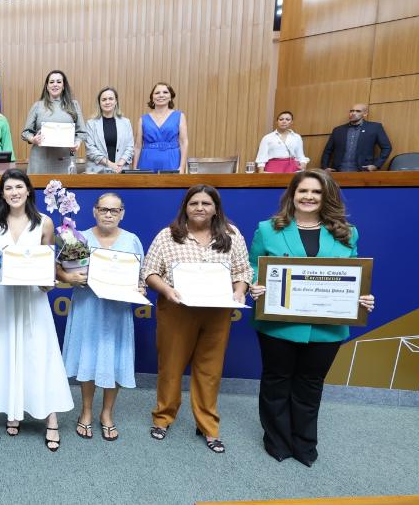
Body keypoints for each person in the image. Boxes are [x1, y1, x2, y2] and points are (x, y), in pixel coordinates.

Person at [248, 170, 376, 466]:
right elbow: (254, 264)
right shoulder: (268, 229)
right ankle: (277, 440)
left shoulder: (347, 232)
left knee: (310, 384)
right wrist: (256, 284)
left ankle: (304, 443)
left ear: (326, 196)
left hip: (326, 329)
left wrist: (361, 297)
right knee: (276, 381)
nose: (308, 197)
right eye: (302, 191)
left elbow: (354, 275)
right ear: (292, 195)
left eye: (316, 192)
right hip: (277, 324)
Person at [143, 185, 252, 453]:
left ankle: (208, 426)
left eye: (206, 203)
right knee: (170, 367)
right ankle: (163, 418)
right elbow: (149, 271)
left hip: (217, 313)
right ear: (185, 207)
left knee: (210, 370)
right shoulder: (168, 235)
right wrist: (166, 290)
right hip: (177, 311)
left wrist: (240, 290)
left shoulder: (232, 234)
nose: (200, 208)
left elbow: (243, 270)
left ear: (216, 208)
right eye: (194, 203)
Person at [0, 169, 72, 451]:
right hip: (4, 296)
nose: (14, 193)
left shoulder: (44, 222)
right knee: (9, 350)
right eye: (8, 188)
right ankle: (13, 410)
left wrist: (49, 284)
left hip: (34, 298)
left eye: (19, 187)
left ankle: (51, 418)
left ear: (29, 190)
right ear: (2, 193)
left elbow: (49, 264)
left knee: (39, 353)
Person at [59, 192, 144, 443]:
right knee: (88, 358)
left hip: (116, 312)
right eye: (103, 209)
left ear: (122, 214)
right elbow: (62, 272)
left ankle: (107, 414)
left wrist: (140, 288)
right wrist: (70, 278)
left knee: (113, 359)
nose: (108, 214)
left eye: (114, 210)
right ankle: (85, 411)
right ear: (94, 211)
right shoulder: (78, 238)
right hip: (88, 308)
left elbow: (140, 278)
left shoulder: (132, 241)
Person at [21, 70, 88, 174]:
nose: (55, 85)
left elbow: (81, 132)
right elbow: (25, 133)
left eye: (58, 82)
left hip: (65, 160)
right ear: (47, 86)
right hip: (40, 160)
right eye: (51, 82)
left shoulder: (74, 105)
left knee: (65, 189)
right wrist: (33, 139)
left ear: (64, 86)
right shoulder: (38, 106)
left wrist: (77, 143)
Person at [320, 104, 392, 172]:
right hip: (338, 171)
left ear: (365, 114)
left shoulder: (375, 127)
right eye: (351, 111)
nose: (353, 113)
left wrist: (376, 165)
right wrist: (325, 167)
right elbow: (327, 151)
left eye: (358, 111)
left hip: (363, 171)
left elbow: (387, 147)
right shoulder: (338, 130)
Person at [135, 83, 188, 173]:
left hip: (172, 161)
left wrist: (182, 167)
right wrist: (134, 168)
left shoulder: (179, 116)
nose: (161, 95)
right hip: (147, 162)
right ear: (152, 97)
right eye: (157, 93)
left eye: (165, 92)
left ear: (171, 97)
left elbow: (183, 142)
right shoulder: (142, 119)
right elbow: (137, 146)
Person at [84, 87, 135, 174]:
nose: (107, 102)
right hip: (97, 171)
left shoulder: (126, 122)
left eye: (110, 99)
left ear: (116, 101)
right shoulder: (91, 124)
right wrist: (110, 164)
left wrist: (120, 164)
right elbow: (90, 149)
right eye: (104, 99)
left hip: (121, 170)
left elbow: (130, 147)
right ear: (99, 103)